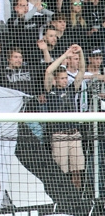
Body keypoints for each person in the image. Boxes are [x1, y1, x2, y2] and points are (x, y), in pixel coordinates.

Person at [44, 44, 86, 189]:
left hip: (74, 133)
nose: (65, 80)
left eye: (65, 78)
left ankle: (78, 197)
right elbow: (49, 70)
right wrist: (66, 54)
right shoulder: (51, 91)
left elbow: (82, 71)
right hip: (59, 135)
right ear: (56, 80)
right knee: (61, 170)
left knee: (77, 170)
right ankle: (63, 198)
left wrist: (80, 52)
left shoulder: (71, 89)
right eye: (61, 78)